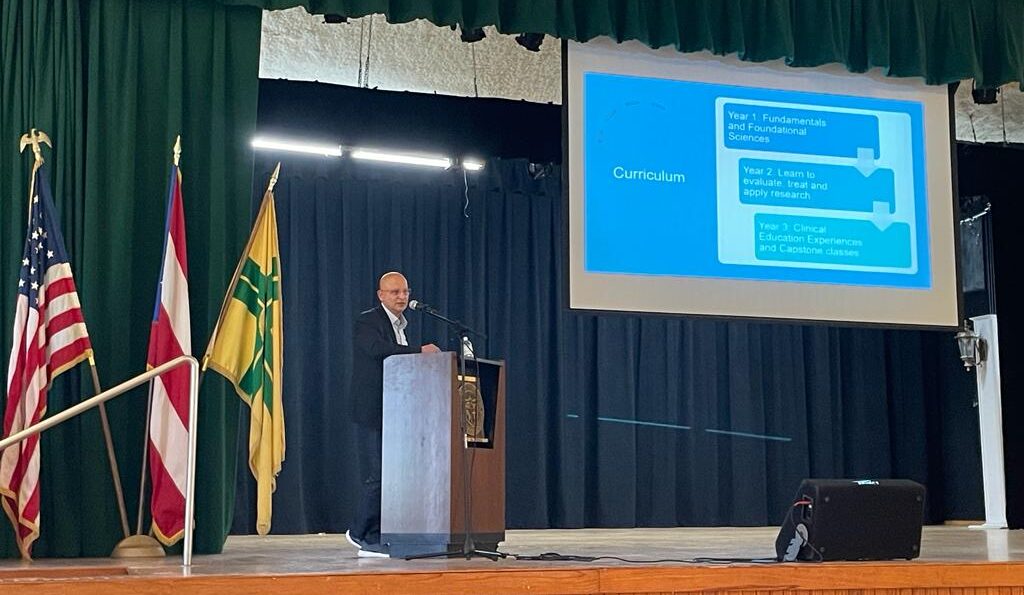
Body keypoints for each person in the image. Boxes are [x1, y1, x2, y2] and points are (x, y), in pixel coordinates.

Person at [346, 271, 439, 558]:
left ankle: (382, 533)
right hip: (374, 409)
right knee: (378, 474)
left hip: (397, 410)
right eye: (395, 292)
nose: (402, 297)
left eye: (405, 292)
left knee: (392, 475)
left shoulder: (402, 326)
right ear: (381, 295)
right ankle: (361, 534)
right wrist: (418, 351)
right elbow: (377, 350)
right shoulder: (368, 320)